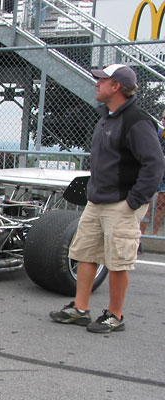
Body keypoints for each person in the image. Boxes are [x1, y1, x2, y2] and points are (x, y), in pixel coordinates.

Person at [50, 64, 165, 333]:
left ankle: (115, 315)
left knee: (117, 260)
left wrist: (134, 201)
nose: (96, 84)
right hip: (97, 201)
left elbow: (155, 164)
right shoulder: (106, 117)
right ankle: (80, 309)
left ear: (116, 86)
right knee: (85, 253)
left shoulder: (137, 120)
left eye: (101, 80)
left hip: (121, 203)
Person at [140, 109, 165, 236]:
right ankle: (141, 234)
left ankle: (154, 233)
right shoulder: (157, 130)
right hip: (154, 169)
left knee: (161, 203)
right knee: (147, 202)